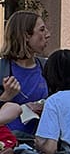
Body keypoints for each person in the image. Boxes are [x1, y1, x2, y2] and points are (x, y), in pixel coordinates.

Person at [0, 10, 52, 142]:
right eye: (42, 30)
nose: (48, 35)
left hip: (41, 144)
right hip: (7, 145)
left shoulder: (47, 67)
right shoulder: (2, 69)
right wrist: (6, 97)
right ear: (26, 36)